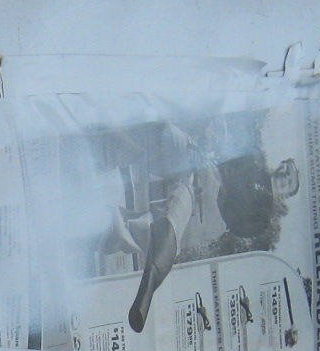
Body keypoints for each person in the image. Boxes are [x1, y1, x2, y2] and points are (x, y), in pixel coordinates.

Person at [103, 124, 301, 333]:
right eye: (287, 169)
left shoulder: (260, 219)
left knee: (171, 220)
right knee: (167, 135)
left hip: (209, 209)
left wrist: (212, 186)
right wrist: (204, 154)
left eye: (289, 182)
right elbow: (224, 159)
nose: (285, 176)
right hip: (202, 168)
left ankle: (147, 275)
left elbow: (232, 216)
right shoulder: (255, 159)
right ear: (282, 164)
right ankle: (111, 146)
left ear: (285, 196)